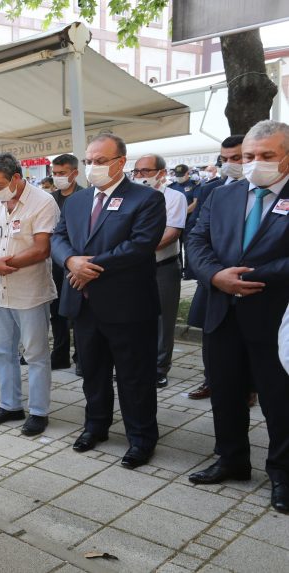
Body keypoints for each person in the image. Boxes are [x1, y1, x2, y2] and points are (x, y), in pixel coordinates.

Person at [185, 120, 289, 514]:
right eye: (248, 157)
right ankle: (231, 460)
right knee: (225, 393)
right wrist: (214, 275)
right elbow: (196, 239)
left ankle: (282, 473)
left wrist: (248, 276)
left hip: (276, 317)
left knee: (280, 401)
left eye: (267, 156)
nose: (254, 164)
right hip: (221, 312)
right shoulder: (222, 195)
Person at [51, 133, 166, 470]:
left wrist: (90, 267)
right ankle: (95, 426)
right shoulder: (76, 201)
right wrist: (71, 262)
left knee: (134, 377)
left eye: (100, 161)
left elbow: (140, 245)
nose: (93, 167)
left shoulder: (145, 199)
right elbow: (59, 237)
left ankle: (142, 438)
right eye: (89, 161)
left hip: (128, 305)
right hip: (84, 303)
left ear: (120, 162)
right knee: (93, 373)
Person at [0, 153, 60, 436]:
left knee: (35, 354)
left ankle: (38, 411)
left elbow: (42, 248)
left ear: (15, 177)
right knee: (3, 352)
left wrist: (4, 265)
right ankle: (10, 405)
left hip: (30, 291)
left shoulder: (43, 202)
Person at [186, 134, 245, 400]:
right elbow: (198, 233)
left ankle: (250, 387)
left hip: (253, 285)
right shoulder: (214, 189)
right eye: (226, 159)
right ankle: (212, 380)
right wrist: (213, 272)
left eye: (238, 158)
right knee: (212, 339)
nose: (231, 164)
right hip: (214, 280)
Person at [132, 154, 188, 389]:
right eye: (137, 171)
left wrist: (135, 249)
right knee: (134, 317)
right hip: (133, 267)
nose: (140, 176)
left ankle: (159, 368)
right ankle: (136, 364)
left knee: (163, 319)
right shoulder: (130, 197)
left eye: (146, 171)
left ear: (162, 173)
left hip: (162, 267)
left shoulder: (175, 197)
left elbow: (172, 233)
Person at [49, 154, 84, 371]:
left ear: (74, 173)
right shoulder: (50, 198)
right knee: (56, 311)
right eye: (55, 173)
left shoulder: (84, 196)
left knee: (78, 311)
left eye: (62, 173)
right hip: (54, 262)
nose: (58, 177)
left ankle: (81, 356)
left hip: (76, 261)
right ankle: (60, 353)